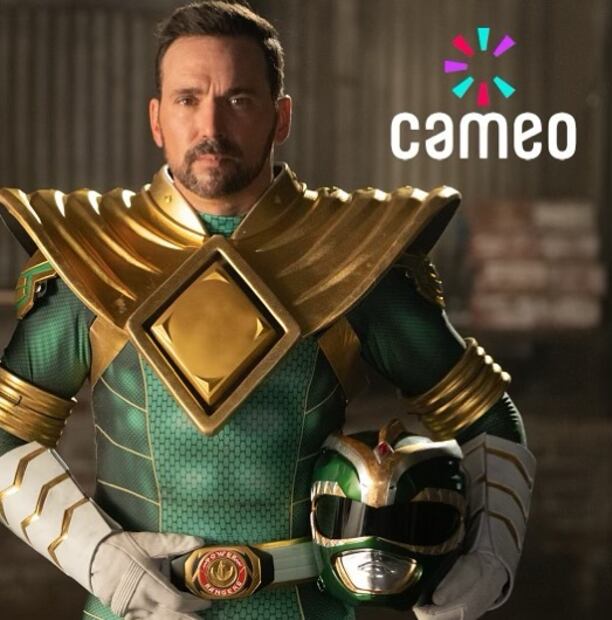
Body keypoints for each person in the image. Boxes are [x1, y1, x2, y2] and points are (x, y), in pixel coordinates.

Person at [0, 2, 535, 619]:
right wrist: (96, 556)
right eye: (187, 99)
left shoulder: (351, 258)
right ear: (156, 119)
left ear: (280, 118)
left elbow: (485, 414)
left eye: (239, 99)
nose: (211, 124)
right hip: (135, 608)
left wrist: (491, 555)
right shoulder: (91, 257)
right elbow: (8, 434)